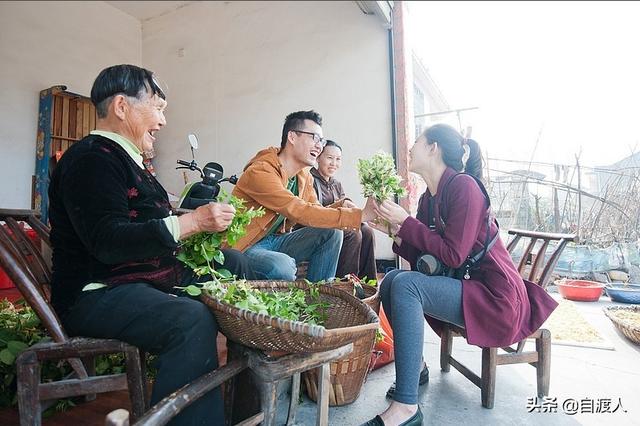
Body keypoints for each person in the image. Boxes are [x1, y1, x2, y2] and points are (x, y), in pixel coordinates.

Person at [48, 64, 254, 426]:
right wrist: (191, 222)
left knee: (235, 265)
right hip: (95, 292)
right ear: (122, 107)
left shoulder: (129, 161)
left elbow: (149, 225)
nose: (161, 122)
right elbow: (108, 241)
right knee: (190, 320)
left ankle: (245, 403)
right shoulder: (91, 159)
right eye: (157, 108)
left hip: (140, 278)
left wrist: (201, 231)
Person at [364, 124, 558, 426]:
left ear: (434, 148)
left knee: (405, 285)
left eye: (416, 141)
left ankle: (405, 408)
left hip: (496, 298)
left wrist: (405, 223)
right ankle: (417, 369)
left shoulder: (464, 187)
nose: (410, 147)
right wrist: (391, 229)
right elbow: (430, 257)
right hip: (468, 288)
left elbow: (454, 254)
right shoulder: (429, 199)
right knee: (391, 280)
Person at [231, 110, 377, 282]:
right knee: (282, 266)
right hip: (248, 246)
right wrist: (359, 215)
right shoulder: (261, 171)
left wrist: (340, 205)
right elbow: (298, 209)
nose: (319, 146)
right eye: (314, 137)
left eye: (321, 141)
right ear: (292, 137)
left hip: (277, 241)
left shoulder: (303, 176)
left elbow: (314, 210)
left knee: (332, 233)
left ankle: (319, 299)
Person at [310, 140, 377, 280]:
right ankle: (345, 283)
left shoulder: (336, 184)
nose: (334, 163)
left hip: (338, 224)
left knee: (367, 231)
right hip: (318, 228)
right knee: (354, 233)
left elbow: (344, 206)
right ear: (318, 158)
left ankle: (368, 283)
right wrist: (343, 204)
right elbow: (314, 213)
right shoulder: (309, 180)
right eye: (329, 158)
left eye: (338, 159)